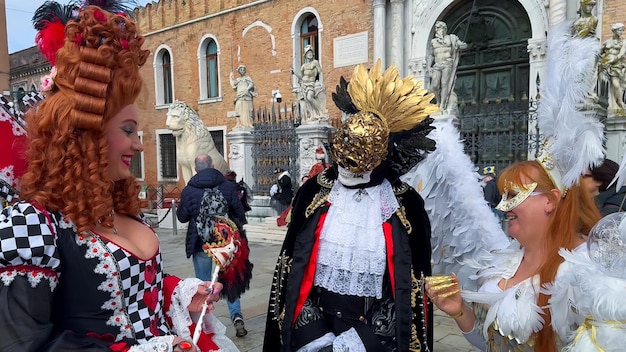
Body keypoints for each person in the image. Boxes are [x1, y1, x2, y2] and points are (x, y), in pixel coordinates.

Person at [0, 3, 235, 351]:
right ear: (87, 134)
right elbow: (22, 343)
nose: (139, 145)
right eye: (128, 130)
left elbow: (134, 290)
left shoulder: (121, 208)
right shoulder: (33, 225)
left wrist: (180, 295)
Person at [263, 60, 438, 351]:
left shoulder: (405, 204)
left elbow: (409, 291)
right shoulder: (314, 192)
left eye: (357, 164)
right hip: (313, 336)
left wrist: (358, 343)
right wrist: (316, 337)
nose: (346, 170)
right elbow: (293, 271)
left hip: (374, 342)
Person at [427, 160, 602, 351]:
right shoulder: (508, 260)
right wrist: (460, 311)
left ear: (550, 201)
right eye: (503, 195)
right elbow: (493, 343)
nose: (502, 207)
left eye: (513, 196)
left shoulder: (590, 274)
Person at [177, 154, 249, 338]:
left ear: (195, 169)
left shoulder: (189, 189)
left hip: (201, 243)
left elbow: (182, 216)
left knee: (203, 283)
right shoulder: (226, 186)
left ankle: (204, 321)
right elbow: (239, 212)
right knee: (229, 281)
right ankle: (236, 316)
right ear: (214, 166)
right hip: (224, 243)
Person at [430, 21, 467, 113]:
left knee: (444, 83)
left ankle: (442, 105)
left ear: (444, 29)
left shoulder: (451, 38)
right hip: (437, 65)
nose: (437, 30)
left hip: (447, 63)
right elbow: (431, 55)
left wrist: (462, 45)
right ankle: (438, 102)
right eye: (436, 28)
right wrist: (428, 67)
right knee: (434, 86)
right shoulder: (433, 42)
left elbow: (462, 45)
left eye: (439, 28)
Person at [292, 45, 327, 121]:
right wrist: (294, 73)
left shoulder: (315, 62)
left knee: (309, 97)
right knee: (307, 102)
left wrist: (321, 82)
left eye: (311, 52)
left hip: (311, 83)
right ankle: (313, 115)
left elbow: (320, 72)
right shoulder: (303, 66)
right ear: (305, 55)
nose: (310, 54)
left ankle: (320, 111)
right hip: (304, 85)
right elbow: (301, 77)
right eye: (308, 53)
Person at [600, 23, 626, 111]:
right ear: (614, 31)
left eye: (622, 30)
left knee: (616, 85)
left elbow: (621, 53)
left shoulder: (624, 42)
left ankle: (620, 102)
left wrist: (611, 60)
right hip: (606, 66)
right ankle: (612, 102)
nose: (621, 32)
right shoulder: (607, 42)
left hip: (618, 66)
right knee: (606, 84)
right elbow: (599, 52)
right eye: (620, 30)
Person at [229, 64, 257, 129]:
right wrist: (231, 77)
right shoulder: (238, 80)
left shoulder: (248, 78)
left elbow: (251, 84)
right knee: (238, 110)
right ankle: (239, 124)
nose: (242, 71)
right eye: (240, 70)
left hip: (246, 97)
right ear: (239, 71)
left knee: (245, 111)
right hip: (239, 97)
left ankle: (246, 124)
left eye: (243, 69)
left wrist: (247, 89)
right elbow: (233, 85)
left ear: (245, 71)